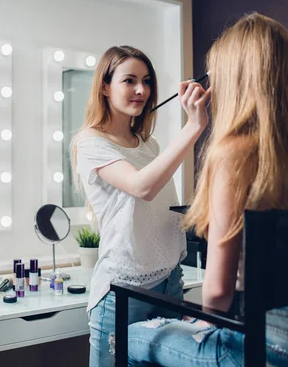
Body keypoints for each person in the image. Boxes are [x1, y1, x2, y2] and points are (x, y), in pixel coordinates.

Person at [127, 13, 288, 366]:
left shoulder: (233, 152)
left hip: (271, 340)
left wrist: (201, 322)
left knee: (133, 336)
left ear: (234, 78)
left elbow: (217, 291)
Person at [70, 45, 210, 366]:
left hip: (170, 282)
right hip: (123, 290)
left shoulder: (149, 144)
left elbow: (159, 208)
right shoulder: (91, 143)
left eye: (146, 81)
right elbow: (142, 187)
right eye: (129, 81)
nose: (141, 90)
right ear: (104, 86)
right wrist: (193, 126)